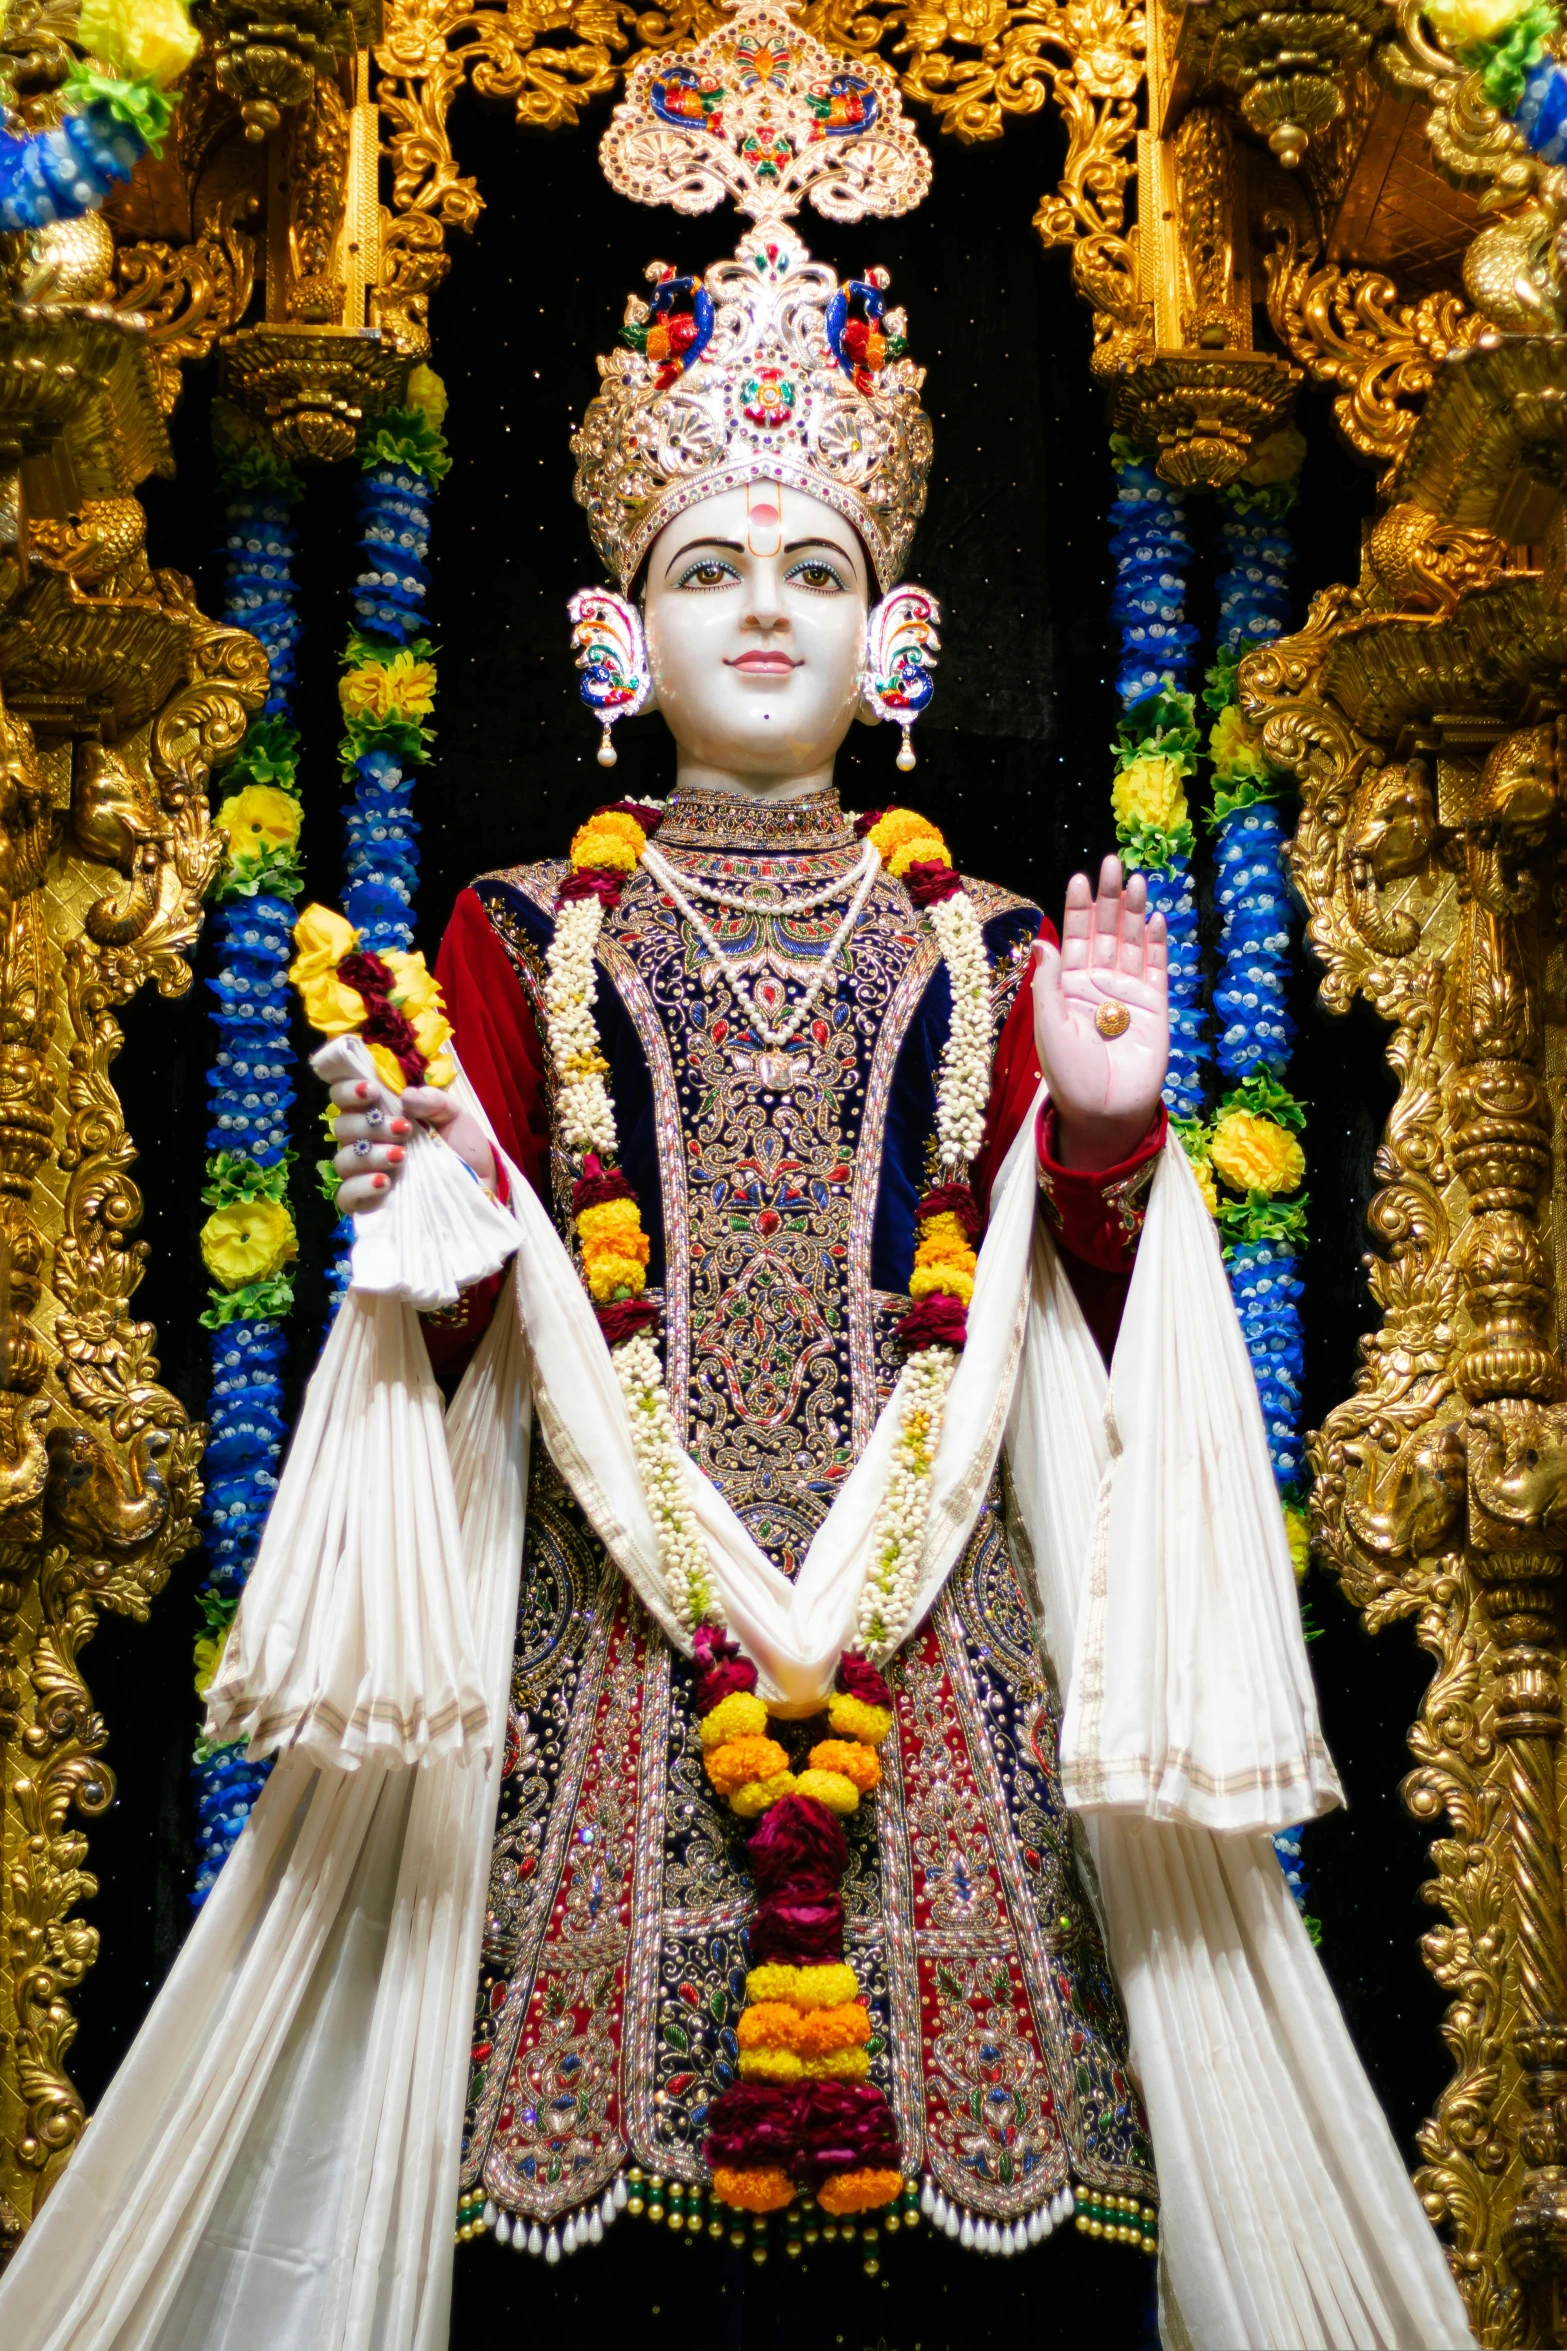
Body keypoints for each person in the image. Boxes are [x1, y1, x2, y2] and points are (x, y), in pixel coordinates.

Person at [0, 9, 1475, 2346]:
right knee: (581, 2249)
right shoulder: (515, 931)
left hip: (944, 1653)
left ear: (900, 639)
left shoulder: (989, 941)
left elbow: (1074, 1321)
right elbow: (479, 1312)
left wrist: (1102, 1126)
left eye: (812, 561)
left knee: (983, 2259)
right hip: (607, 1634)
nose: (762, 602)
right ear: (617, 636)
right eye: (709, 563)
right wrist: (418, 1208)